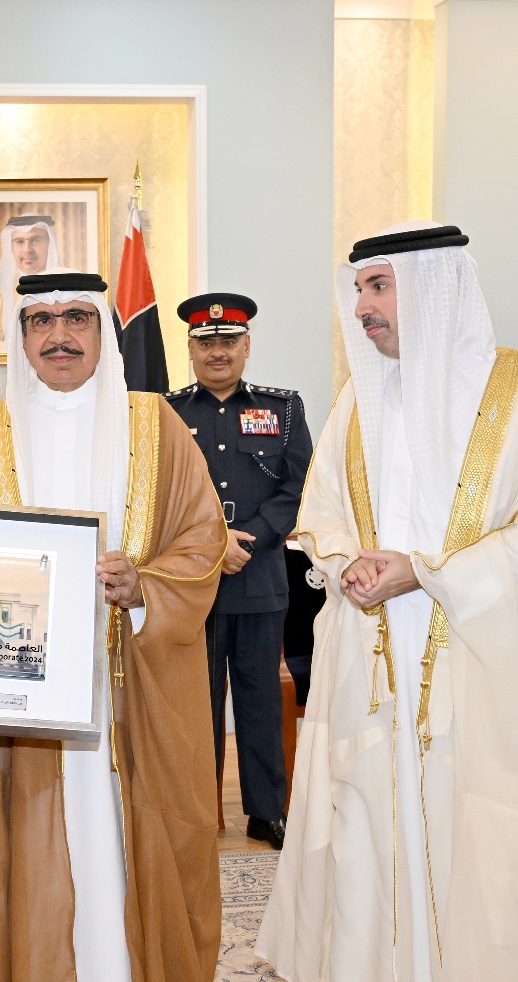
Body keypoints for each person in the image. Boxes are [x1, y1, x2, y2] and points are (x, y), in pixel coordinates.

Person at [256, 223, 518, 982]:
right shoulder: (360, 401)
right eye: (359, 290)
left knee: (489, 867)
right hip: (373, 671)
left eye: (380, 288)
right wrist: (347, 565)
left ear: (436, 287)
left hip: (484, 677)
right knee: (373, 849)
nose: (362, 309)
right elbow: (323, 514)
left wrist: (428, 572)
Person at [0, 270, 232, 982]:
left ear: (102, 330)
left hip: (130, 697)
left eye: (76, 318)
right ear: (20, 336)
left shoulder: (155, 425)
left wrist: (142, 587)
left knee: (132, 861)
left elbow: (203, 539)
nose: (58, 335)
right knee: (34, 868)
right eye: (40, 321)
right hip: (21, 716)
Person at [167, 292, 314, 850]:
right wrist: (214, 542)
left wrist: (247, 539)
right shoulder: (167, 413)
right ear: (190, 350)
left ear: (247, 346)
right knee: (195, 703)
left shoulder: (284, 408)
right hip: (192, 583)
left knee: (259, 698)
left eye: (228, 340)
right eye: (206, 343)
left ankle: (266, 811)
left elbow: (298, 486)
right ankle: (199, 811)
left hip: (259, 578)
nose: (218, 352)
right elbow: (160, 494)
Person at [0, 214, 59, 342]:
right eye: (20, 242)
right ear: (11, 247)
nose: (27, 250)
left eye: (35, 240)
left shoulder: (68, 289)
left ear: (50, 244)